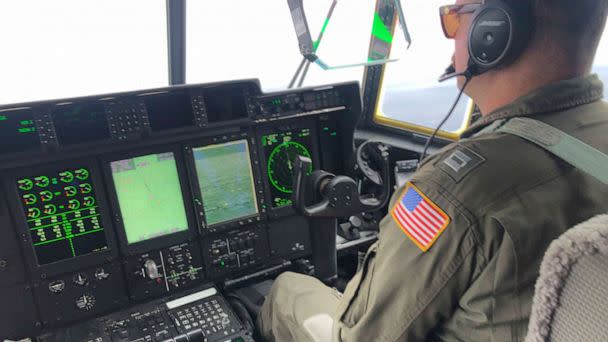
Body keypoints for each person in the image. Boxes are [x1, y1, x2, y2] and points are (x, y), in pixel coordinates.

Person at [258, 0, 608, 340]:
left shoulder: (456, 191)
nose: (451, 36)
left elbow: (358, 336)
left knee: (287, 289)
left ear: (495, 30)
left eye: (454, 19)